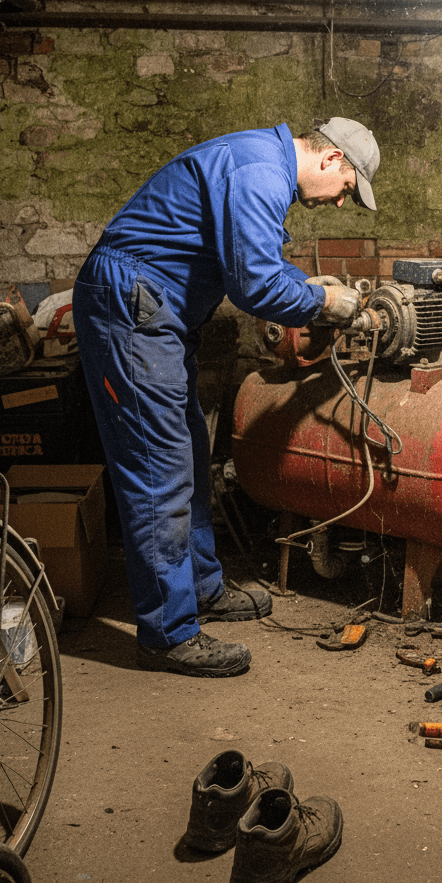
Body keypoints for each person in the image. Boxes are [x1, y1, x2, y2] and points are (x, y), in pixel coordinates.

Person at [73, 118, 380, 677]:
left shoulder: (261, 165)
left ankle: (202, 590)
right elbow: (255, 284)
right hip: (131, 305)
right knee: (158, 468)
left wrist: (311, 286)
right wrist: (328, 305)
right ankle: (167, 633)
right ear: (334, 159)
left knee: (188, 453)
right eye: (348, 191)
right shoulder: (261, 171)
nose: (341, 203)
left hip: (156, 311)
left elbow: (256, 259)